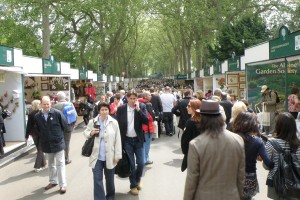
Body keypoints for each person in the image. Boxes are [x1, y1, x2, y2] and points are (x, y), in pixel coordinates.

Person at [184, 99, 245, 200]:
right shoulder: (237, 140)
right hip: (231, 195)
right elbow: (241, 176)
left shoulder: (196, 144)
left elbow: (192, 180)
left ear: (203, 118)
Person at [83, 102, 122, 200]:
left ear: (109, 110)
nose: (104, 112)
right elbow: (85, 133)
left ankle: (110, 197)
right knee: (97, 180)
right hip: (97, 157)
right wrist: (91, 132)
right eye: (102, 110)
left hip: (110, 156)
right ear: (99, 111)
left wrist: (117, 155)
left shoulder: (114, 122)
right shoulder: (93, 122)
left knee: (109, 180)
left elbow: (118, 139)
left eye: (106, 110)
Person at [233, 112, 274, 200]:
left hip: (233, 175)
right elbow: (268, 163)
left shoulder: (231, 138)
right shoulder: (257, 141)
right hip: (249, 177)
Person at [116, 90, 148, 196]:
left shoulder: (142, 106)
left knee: (141, 163)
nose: (133, 100)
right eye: (131, 98)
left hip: (138, 139)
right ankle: (133, 185)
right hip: (127, 140)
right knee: (131, 164)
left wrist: (138, 109)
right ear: (127, 98)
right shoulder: (121, 108)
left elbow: (146, 120)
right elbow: (117, 124)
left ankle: (138, 180)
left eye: (135, 98)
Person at [34, 96, 67, 194]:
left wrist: (57, 136)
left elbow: (64, 125)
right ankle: (53, 181)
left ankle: (63, 185)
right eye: (44, 104)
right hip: (47, 144)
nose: (46, 106)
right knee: (51, 164)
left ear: (50, 104)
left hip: (58, 143)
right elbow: (38, 129)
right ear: (41, 104)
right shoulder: (37, 116)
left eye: (48, 104)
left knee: (60, 164)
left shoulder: (57, 113)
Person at [265, 112, 300, 199]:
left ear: (278, 126)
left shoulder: (271, 143)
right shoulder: (298, 144)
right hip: (295, 182)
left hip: (275, 183)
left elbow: (266, 166)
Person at [54, 91, 77, 165]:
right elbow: (75, 115)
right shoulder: (70, 104)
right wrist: (73, 124)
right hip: (69, 125)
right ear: (65, 97)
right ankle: (66, 159)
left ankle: (60, 159)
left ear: (58, 98)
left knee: (60, 142)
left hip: (59, 127)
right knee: (67, 142)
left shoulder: (55, 106)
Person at [25, 100, 47, 172]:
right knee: (40, 149)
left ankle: (43, 164)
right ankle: (37, 166)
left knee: (39, 149)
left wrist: (26, 136)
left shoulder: (31, 114)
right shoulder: (43, 113)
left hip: (34, 133)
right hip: (42, 133)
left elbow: (28, 126)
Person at [180, 99, 201, 172]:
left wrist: (185, 152)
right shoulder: (203, 120)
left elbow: (185, 141)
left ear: (195, 108)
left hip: (192, 154)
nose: (186, 107)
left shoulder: (191, 122)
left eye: (189, 106)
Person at [138, 91, 155, 165]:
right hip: (147, 127)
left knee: (141, 145)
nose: (151, 96)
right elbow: (151, 117)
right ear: (145, 96)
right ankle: (145, 159)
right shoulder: (148, 104)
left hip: (140, 127)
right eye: (149, 95)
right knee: (146, 144)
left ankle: (142, 159)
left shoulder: (138, 103)